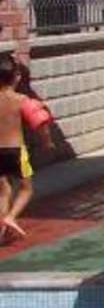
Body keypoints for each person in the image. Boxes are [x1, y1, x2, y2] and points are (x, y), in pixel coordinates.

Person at [0, 56, 40, 244]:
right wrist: (47, 142)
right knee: (26, 189)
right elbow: (40, 121)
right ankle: (10, 217)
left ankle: (2, 230)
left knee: (4, 190)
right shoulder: (21, 100)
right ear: (16, 77)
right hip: (16, 151)